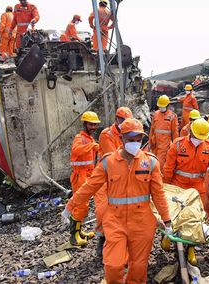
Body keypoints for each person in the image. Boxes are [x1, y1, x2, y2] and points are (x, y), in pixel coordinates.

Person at [63, 118, 172, 283]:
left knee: (139, 267)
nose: (135, 143)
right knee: (113, 265)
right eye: (131, 140)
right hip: (115, 221)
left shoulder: (150, 162)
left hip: (142, 222)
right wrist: (69, 207)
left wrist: (167, 221)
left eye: (138, 140)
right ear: (121, 138)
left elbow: (159, 194)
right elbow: (89, 187)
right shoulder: (108, 162)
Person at [94, 106, 133, 255]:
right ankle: (102, 239)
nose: (124, 123)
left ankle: (121, 241)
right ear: (116, 119)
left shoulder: (128, 133)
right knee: (102, 210)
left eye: (126, 120)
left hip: (120, 177)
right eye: (122, 120)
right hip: (105, 178)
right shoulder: (107, 134)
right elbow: (114, 157)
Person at [163, 118, 209, 206]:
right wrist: (165, 187)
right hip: (178, 187)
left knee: (196, 217)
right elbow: (168, 168)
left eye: (201, 138)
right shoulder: (178, 144)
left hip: (197, 190)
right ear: (190, 131)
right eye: (196, 136)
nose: (198, 140)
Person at [68, 111, 100, 246]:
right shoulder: (79, 138)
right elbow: (76, 151)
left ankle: (79, 232)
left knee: (84, 206)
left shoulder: (91, 139)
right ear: (85, 124)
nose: (93, 127)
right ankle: (74, 236)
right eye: (90, 124)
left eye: (95, 125)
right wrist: (92, 146)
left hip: (88, 175)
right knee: (80, 205)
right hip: (79, 175)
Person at [149, 95, 179, 170]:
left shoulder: (172, 116)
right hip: (154, 143)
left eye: (163, 106)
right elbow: (152, 129)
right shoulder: (155, 114)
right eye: (160, 106)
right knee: (151, 161)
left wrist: (176, 147)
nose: (161, 108)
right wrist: (150, 141)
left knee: (159, 164)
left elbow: (175, 133)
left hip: (164, 145)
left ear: (168, 105)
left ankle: (159, 178)